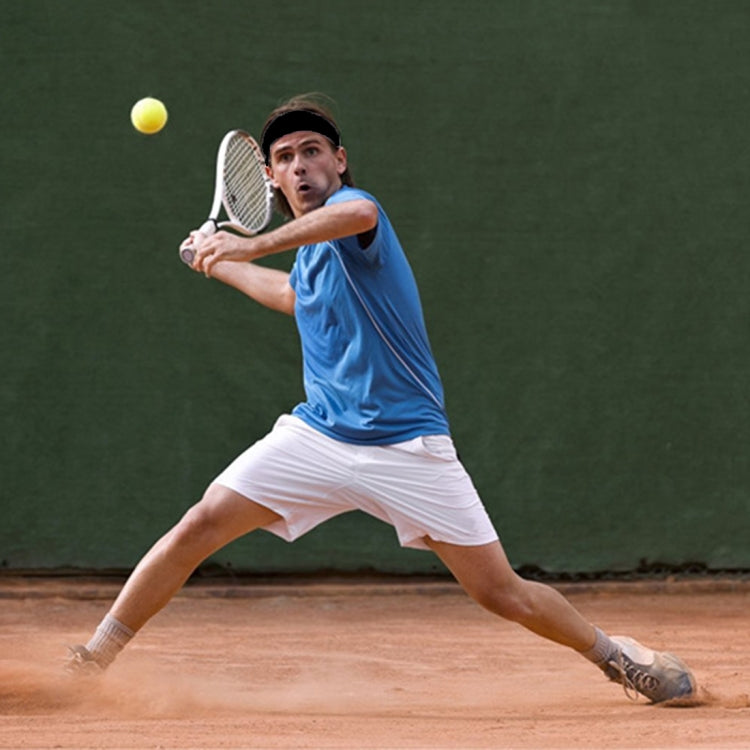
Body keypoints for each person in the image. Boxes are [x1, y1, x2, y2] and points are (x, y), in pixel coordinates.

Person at [66, 93, 696, 704]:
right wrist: (219, 263)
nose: (300, 165)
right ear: (268, 176)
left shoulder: (356, 212)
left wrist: (247, 244)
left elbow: (355, 217)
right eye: (284, 157)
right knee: (198, 524)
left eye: (313, 151)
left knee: (502, 593)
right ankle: (93, 659)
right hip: (317, 436)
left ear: (339, 160)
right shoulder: (310, 258)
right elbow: (293, 298)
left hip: (408, 446)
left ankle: (619, 658)